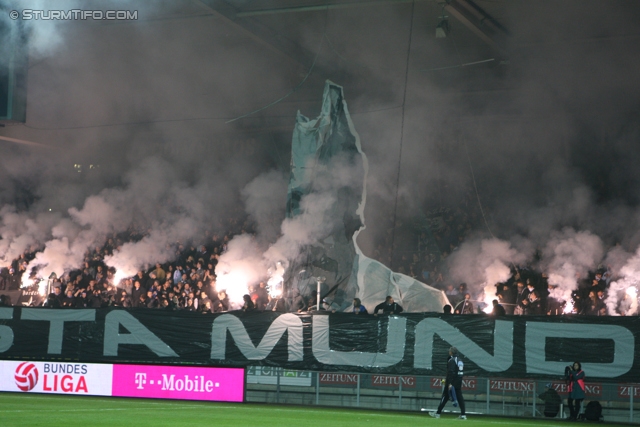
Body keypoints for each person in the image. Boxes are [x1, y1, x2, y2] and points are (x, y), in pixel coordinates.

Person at [430, 346, 467, 420]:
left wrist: (449, 383)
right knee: (460, 398)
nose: (448, 352)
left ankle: (438, 413)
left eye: (449, 351)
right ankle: (463, 415)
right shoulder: (460, 360)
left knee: (445, 397)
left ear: (451, 352)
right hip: (458, 382)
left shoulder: (452, 360)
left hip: (452, 382)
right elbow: (460, 372)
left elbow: (451, 372)